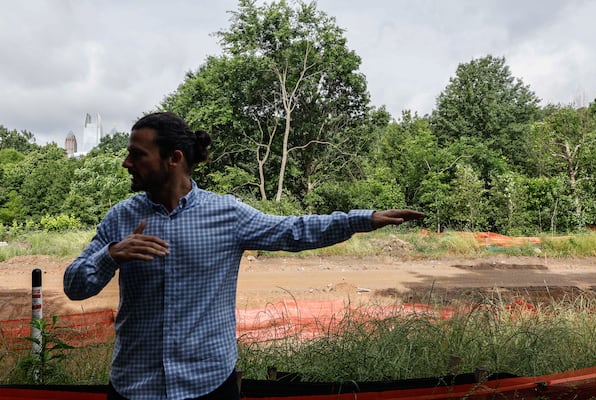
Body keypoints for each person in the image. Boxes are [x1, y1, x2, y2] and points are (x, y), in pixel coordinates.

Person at [63, 112, 425, 400]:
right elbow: (75, 286)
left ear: (173, 158)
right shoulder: (120, 218)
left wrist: (363, 219)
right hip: (134, 387)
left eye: (137, 154)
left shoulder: (227, 214)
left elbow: (293, 231)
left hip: (208, 385)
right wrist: (111, 255)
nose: (127, 163)